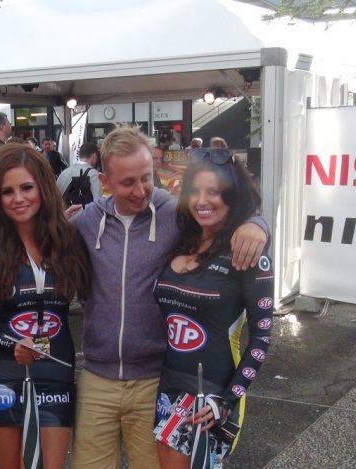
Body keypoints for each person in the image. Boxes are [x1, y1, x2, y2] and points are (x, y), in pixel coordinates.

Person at [67, 126, 268, 469]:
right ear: (105, 179)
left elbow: (222, 211)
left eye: (146, 177)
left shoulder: (175, 215)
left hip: (154, 380)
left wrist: (257, 223)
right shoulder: (87, 221)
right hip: (98, 377)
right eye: (127, 182)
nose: (140, 190)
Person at [0, 144, 90, 469]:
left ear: (43, 189)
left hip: (55, 369)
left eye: (26, 187)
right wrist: (10, 344)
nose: (18, 198)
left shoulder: (68, 238)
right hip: (0, 371)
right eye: (7, 191)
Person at [153, 148, 273, 468]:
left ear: (232, 197)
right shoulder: (182, 239)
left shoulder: (246, 251)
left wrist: (228, 400)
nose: (202, 201)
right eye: (195, 191)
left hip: (210, 394)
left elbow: (261, 338)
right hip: (165, 386)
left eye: (214, 192)